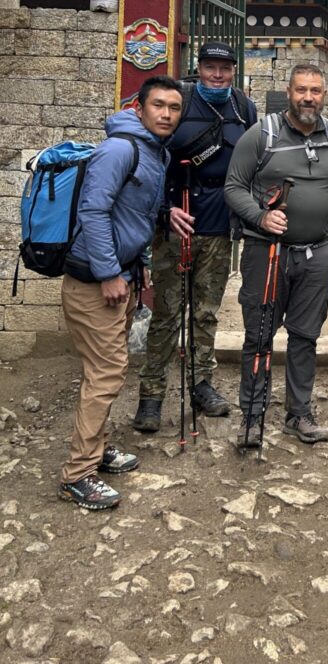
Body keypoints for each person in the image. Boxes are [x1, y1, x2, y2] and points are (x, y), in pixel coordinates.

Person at [59, 76, 183, 510]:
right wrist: (111, 272)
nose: (166, 114)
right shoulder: (120, 149)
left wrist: (136, 268)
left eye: (174, 107)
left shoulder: (153, 151)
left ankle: (97, 447)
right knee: (108, 372)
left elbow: (131, 216)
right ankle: (79, 474)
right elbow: (94, 210)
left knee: (104, 370)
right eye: (159, 105)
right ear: (140, 107)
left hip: (122, 277)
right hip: (95, 283)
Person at [224, 63, 328, 446]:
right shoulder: (261, 135)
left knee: (305, 336)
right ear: (289, 91)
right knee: (259, 335)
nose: (308, 97)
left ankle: (299, 413)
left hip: (317, 257)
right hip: (267, 253)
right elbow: (233, 187)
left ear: (324, 94)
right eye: (301, 90)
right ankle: (252, 415)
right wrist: (261, 217)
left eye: (315, 90)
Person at [133, 42, 257, 432]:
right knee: (168, 313)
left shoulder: (243, 107)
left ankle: (201, 383)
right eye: (210, 67)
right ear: (198, 68)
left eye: (224, 68)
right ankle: (151, 395)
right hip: (176, 220)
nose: (217, 75)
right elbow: (150, 158)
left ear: (233, 71)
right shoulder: (179, 101)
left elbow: (253, 160)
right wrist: (163, 211)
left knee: (205, 312)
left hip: (220, 223)